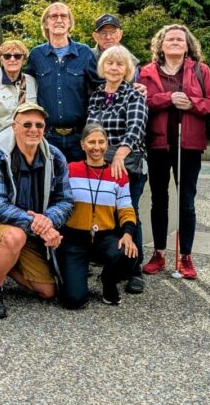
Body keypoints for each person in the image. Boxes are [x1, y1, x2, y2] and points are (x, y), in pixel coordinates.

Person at [0, 102, 73, 319]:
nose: (33, 130)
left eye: (39, 125)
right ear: (14, 127)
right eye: (27, 124)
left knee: (47, 291)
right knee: (15, 236)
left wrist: (48, 220)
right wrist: (37, 225)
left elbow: (65, 201)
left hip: (32, 226)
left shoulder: (55, 157)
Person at [140, 25, 210, 280]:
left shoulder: (200, 70)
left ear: (187, 45)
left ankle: (185, 256)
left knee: (186, 202)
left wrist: (193, 104)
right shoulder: (146, 71)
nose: (175, 42)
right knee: (159, 201)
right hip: (158, 145)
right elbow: (140, 101)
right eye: (170, 39)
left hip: (188, 146)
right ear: (161, 45)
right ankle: (159, 253)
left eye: (180, 39)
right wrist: (168, 98)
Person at [86, 45, 149, 294]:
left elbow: (135, 128)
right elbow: (91, 130)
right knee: (106, 215)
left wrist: (118, 157)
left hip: (127, 163)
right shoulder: (96, 96)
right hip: (100, 161)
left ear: (127, 69)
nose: (114, 68)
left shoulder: (134, 95)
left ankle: (135, 270)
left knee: (129, 213)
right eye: (110, 63)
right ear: (103, 67)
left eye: (119, 64)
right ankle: (114, 265)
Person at [59, 124, 138, 308]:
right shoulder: (70, 169)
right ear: (82, 145)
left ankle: (108, 282)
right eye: (91, 142)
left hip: (105, 236)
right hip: (75, 239)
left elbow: (126, 207)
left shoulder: (118, 174)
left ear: (107, 144)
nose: (96, 147)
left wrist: (128, 234)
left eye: (101, 142)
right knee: (73, 301)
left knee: (129, 253)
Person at [24, 2, 100, 163]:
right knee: (49, 185)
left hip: (79, 137)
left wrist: (130, 86)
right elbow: (25, 88)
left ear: (70, 22)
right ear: (45, 23)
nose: (59, 19)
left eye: (63, 16)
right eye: (53, 16)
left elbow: (102, 87)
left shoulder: (84, 53)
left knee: (77, 186)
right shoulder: (37, 55)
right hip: (47, 136)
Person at [0, 39, 38, 143]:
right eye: (7, 56)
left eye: (17, 56)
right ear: (1, 59)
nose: (12, 59)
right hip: (1, 141)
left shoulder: (32, 82)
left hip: (28, 141)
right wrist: (3, 143)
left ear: (23, 59)